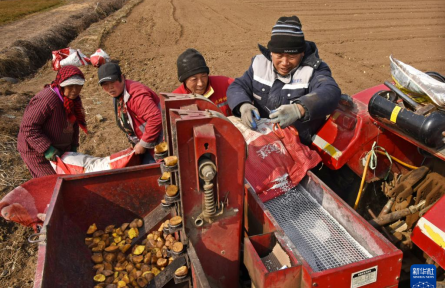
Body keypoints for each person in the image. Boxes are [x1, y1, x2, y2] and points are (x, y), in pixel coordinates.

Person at [227, 15, 341, 145]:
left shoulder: (315, 69)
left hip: (301, 145)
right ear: (271, 52)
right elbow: (238, 86)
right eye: (279, 56)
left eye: (292, 56)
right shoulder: (259, 64)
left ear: (302, 53)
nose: (284, 63)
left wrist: (299, 109)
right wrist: (242, 104)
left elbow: (330, 91)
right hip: (266, 141)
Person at [17, 65, 88, 178]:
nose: (75, 90)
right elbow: (28, 127)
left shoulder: (73, 100)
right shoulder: (47, 99)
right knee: (51, 181)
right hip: (36, 151)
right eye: (71, 86)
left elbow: (73, 124)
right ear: (61, 85)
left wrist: (73, 146)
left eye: (79, 86)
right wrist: (46, 148)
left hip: (60, 148)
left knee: (67, 179)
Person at [98, 62, 162, 164]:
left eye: (113, 82)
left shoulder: (136, 95)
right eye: (105, 84)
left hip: (159, 141)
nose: (110, 87)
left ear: (122, 78)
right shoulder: (118, 95)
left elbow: (156, 118)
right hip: (146, 141)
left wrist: (143, 144)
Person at [173, 48, 234, 117]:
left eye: (204, 76)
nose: (200, 83)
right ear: (184, 80)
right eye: (194, 79)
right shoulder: (174, 101)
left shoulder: (226, 84)